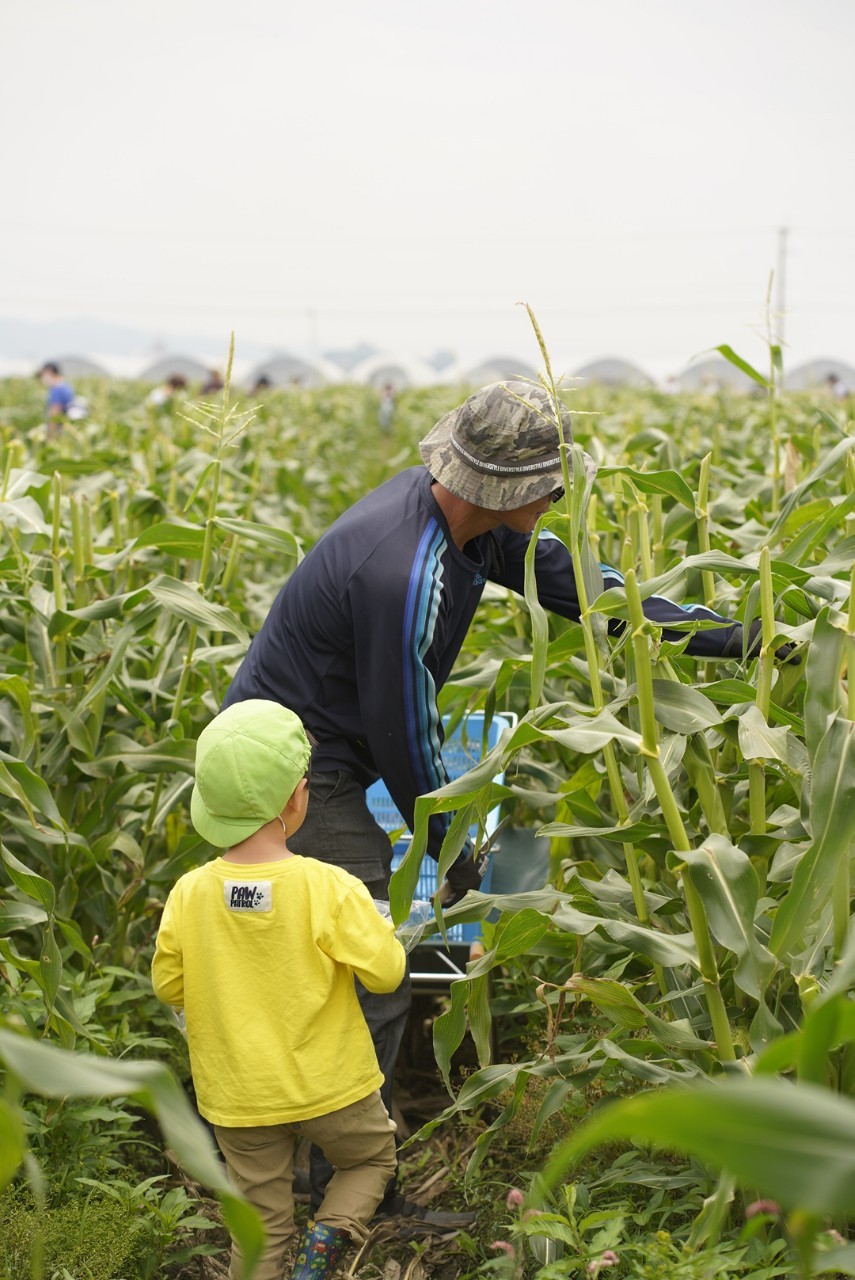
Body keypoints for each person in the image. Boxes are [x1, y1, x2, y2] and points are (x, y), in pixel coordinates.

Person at [221, 379, 785, 1226]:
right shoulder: (402, 569)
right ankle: (342, 1185)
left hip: (330, 748)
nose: (559, 498)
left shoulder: (465, 527)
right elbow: (406, 735)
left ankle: (316, 1156)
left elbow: (595, 595)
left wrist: (745, 636)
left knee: (341, 957)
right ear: (512, 490)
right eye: (550, 484)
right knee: (364, 962)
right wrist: (451, 857)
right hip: (298, 767)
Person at [152, 699, 405, 1280]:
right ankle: (320, 1253)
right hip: (334, 1089)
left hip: (237, 1099)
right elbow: (385, 974)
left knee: (260, 1227)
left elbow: (168, 983)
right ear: (298, 795)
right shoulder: (329, 887)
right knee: (370, 1162)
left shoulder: (188, 894)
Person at [37, 362, 78, 434]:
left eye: (43, 375)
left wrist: (51, 436)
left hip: (59, 431)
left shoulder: (57, 389)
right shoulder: (66, 386)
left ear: (49, 372)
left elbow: (55, 415)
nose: (42, 379)